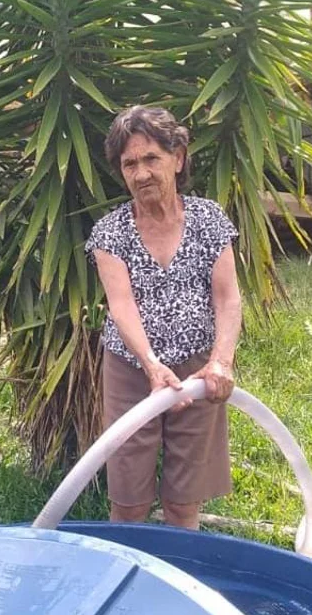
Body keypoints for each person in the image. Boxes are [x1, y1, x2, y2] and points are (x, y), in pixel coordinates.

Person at [84, 105, 243, 530]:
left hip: (198, 369)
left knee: (183, 501)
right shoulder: (110, 232)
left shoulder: (210, 220)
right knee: (129, 500)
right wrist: (151, 365)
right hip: (131, 370)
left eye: (151, 158)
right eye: (129, 164)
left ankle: (178, 580)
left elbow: (228, 298)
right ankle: (127, 586)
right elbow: (121, 306)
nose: (141, 174)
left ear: (178, 157)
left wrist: (221, 361)